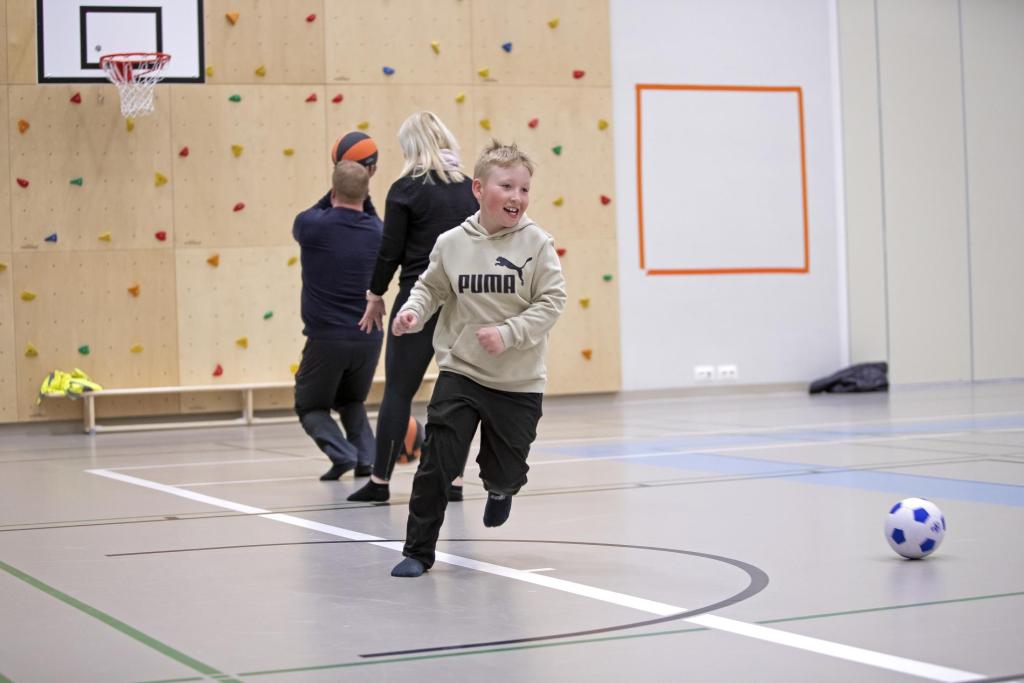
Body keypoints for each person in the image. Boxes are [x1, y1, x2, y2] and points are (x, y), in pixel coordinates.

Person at [389, 140, 567, 577]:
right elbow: (432, 287)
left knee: (506, 470)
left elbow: (552, 301)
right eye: (506, 186)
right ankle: (417, 552)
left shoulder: (537, 244)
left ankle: (500, 487)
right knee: (437, 465)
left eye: (524, 189)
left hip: (518, 380)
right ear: (477, 188)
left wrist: (509, 334)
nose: (517, 197)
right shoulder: (451, 243)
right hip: (461, 371)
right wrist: (413, 311)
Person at [347, 111, 479, 503]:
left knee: (398, 393)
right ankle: (453, 482)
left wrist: (375, 296)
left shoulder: (405, 188)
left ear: (411, 147)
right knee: (460, 393)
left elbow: (391, 252)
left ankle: (380, 482)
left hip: (417, 300)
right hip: (462, 301)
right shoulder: (469, 189)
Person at [293, 158, 383, 481]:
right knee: (351, 400)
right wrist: (363, 183)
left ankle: (343, 454)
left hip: (328, 337)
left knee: (310, 406)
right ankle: (368, 461)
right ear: (367, 192)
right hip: (369, 337)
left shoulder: (311, 226)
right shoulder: (377, 232)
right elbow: (368, 212)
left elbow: (318, 209)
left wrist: (339, 183)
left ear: (332, 191)